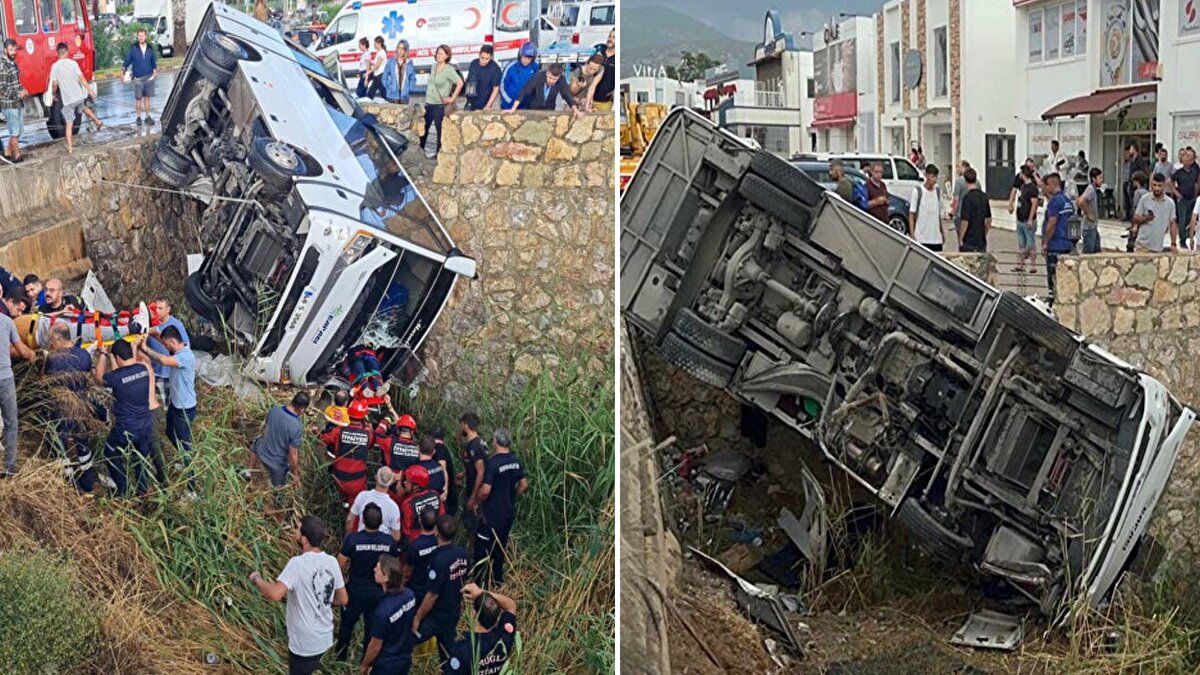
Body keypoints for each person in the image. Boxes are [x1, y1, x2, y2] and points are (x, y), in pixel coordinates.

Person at [250, 515, 348, 675]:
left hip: (304, 645)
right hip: (325, 639)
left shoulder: (297, 564)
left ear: (304, 539)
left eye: (297, 528)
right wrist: (322, 602)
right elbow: (343, 599)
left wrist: (257, 579)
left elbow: (275, 594)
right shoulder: (331, 561)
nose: (294, 531)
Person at [138, 325, 198, 496]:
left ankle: (191, 488)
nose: (165, 347)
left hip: (184, 409)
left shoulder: (185, 357)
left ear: (173, 342)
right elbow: (160, 336)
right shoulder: (178, 349)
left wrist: (145, 348)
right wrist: (146, 333)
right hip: (176, 405)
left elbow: (163, 361)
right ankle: (183, 458)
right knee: (170, 433)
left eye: (166, 344)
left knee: (186, 446)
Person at [336, 503, 398, 663]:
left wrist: (340, 586)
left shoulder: (353, 539)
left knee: (346, 628)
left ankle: (340, 659)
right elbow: (394, 567)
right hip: (377, 594)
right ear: (382, 521)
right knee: (371, 630)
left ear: (362, 520)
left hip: (354, 592)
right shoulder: (389, 542)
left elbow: (340, 564)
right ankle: (366, 661)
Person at [95, 338, 155, 497]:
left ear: (117, 358)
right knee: (140, 458)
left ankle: (124, 489)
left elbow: (99, 377)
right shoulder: (143, 369)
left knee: (110, 453)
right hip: (145, 425)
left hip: (126, 428)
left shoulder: (115, 378)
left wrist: (102, 354)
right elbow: (125, 372)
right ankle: (143, 493)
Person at [412, 516, 470, 668]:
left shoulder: (439, 560)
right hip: (453, 611)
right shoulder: (463, 554)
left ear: (436, 531)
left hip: (436, 615)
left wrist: (417, 617)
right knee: (447, 650)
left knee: (408, 639)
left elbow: (432, 595)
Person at [44, 322, 95, 492]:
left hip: (62, 409)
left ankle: (70, 481)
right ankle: (88, 482)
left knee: (59, 441)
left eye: (51, 339)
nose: (50, 343)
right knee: (82, 442)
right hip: (82, 406)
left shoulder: (54, 359)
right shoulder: (84, 355)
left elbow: (48, 382)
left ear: (58, 339)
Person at [475, 429, 527, 587]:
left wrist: (477, 502)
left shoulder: (492, 463)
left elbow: (485, 490)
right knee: (500, 547)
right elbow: (524, 485)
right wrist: (512, 497)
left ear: (495, 442)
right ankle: (498, 581)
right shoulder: (517, 461)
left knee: (483, 549)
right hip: (508, 513)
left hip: (492, 514)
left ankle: (480, 584)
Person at [360, 554, 418, 675]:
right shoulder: (409, 595)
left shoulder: (382, 612)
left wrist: (364, 665)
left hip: (386, 664)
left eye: (378, 568)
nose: (374, 570)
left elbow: (375, 646)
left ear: (386, 577)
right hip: (405, 657)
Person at [446, 583, 518, 674]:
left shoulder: (462, 650)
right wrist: (481, 592)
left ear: (474, 614)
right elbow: (510, 606)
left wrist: (480, 593)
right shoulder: (503, 639)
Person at [319, 398, 374, 508]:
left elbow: (322, 439)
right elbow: (370, 445)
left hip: (338, 479)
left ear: (348, 414)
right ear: (363, 417)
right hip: (357, 481)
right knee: (356, 509)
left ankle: (341, 508)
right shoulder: (368, 434)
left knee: (340, 502)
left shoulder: (338, 431)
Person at [49, 43, 102, 154]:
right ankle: (97, 121)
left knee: (69, 123)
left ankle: (70, 148)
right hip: (78, 96)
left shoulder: (55, 67)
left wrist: (53, 94)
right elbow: (82, 80)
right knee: (83, 107)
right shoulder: (73, 64)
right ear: (66, 52)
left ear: (58, 53)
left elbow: (54, 84)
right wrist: (91, 92)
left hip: (68, 100)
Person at [250, 392, 308, 489]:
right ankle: (278, 497)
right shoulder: (297, 427)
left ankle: (249, 471)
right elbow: (293, 454)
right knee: (280, 487)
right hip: (277, 464)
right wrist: (295, 474)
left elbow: (267, 427)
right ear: (302, 409)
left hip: (261, 450)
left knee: (256, 442)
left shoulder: (275, 409)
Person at [1041, 173, 1082, 300]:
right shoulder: (1067, 201)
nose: (1044, 189)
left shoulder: (1054, 202)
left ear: (1052, 184)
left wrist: (1045, 243)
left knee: (1053, 278)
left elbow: (1052, 224)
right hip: (1067, 245)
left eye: (1045, 186)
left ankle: (1052, 300)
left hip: (1055, 245)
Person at [421, 45, 463, 158]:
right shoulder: (433, 67)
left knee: (440, 132)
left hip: (440, 106)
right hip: (429, 104)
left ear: (447, 56)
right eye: (437, 53)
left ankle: (438, 156)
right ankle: (420, 152)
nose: (438, 55)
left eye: (441, 54)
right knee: (423, 130)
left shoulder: (449, 69)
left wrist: (452, 98)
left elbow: (460, 83)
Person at [145, 298, 188, 405]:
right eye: (155, 308)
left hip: (168, 373)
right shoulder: (149, 323)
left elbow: (186, 346)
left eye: (161, 308)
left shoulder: (176, 325)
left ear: (168, 309)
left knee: (168, 403)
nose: (157, 311)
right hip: (151, 371)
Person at [348, 466, 404, 541]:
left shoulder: (362, 496)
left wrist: (347, 539)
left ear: (376, 478)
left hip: (360, 542)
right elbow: (396, 537)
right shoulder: (393, 507)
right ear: (391, 483)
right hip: (382, 546)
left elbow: (350, 520)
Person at [1131, 172, 1179, 254]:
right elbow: (1135, 218)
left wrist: (1173, 243)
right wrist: (1145, 218)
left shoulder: (1170, 203)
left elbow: (1173, 224)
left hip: (1157, 248)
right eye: (1154, 185)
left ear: (1164, 186)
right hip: (1142, 246)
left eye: (1159, 186)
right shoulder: (1145, 199)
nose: (1157, 188)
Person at [505, 64, 582, 114]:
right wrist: (513, 109)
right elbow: (524, 91)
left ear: (559, 76)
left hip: (549, 109)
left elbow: (566, 95)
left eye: (554, 79)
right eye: (550, 77)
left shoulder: (562, 79)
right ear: (547, 73)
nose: (551, 81)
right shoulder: (538, 76)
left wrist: (575, 110)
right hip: (533, 109)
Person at [397, 464, 442, 543]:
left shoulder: (408, 504)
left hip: (415, 542)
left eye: (407, 481)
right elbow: (442, 516)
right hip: (436, 539)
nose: (404, 482)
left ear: (415, 486)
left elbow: (406, 532)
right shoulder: (435, 494)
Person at [403, 507, 439, 605]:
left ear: (420, 521)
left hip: (417, 589)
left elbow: (407, 572)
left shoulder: (414, 546)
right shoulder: (440, 541)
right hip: (434, 587)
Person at [460, 412, 488, 538]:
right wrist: (465, 473)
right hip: (472, 485)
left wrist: (473, 496)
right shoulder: (475, 444)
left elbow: (481, 471)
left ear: (466, 425)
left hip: (475, 489)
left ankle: (472, 551)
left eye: (462, 423)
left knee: (472, 523)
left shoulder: (475, 446)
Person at [122, 29, 157, 126]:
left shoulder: (150, 48)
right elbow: (127, 60)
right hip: (137, 78)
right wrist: (122, 71)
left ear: (145, 37)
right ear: (137, 37)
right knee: (138, 99)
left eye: (142, 36)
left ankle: (148, 116)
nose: (141, 37)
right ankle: (138, 118)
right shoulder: (134, 48)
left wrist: (154, 74)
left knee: (147, 98)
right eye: (139, 36)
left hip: (148, 76)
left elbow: (153, 62)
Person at [1, 39, 28, 163]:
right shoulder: (2, 65)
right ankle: (16, 156)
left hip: (17, 102)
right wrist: (18, 93)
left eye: (15, 50)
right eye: (11, 50)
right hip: (8, 104)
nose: (13, 53)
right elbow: (2, 87)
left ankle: (7, 152)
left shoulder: (14, 64)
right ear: (5, 50)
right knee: (14, 131)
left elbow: (17, 83)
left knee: (18, 131)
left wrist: (23, 89)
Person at [907, 164, 944, 252]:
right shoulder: (918, 191)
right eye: (933, 177)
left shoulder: (937, 192)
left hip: (936, 239)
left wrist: (942, 232)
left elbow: (938, 214)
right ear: (927, 176)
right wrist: (912, 234)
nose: (935, 180)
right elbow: (912, 214)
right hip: (921, 238)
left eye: (936, 177)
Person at [1013, 166, 1041, 274]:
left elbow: (1034, 204)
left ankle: (1033, 265)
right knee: (1021, 243)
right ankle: (1020, 264)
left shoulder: (1032, 188)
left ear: (1024, 174)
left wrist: (1030, 219)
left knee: (1031, 243)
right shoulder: (1023, 186)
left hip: (1027, 220)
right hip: (1020, 219)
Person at [957, 168, 991, 253]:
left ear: (965, 180)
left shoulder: (967, 198)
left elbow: (965, 221)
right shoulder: (984, 196)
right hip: (981, 240)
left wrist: (960, 238)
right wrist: (984, 233)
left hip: (969, 240)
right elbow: (989, 219)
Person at [1172, 148, 1200, 250]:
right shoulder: (1178, 172)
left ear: (1192, 161)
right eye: (1184, 156)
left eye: (1188, 157)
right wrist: (1176, 193)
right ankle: (1182, 240)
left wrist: (1196, 194)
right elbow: (1169, 182)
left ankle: (1189, 238)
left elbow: (1197, 182)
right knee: (1182, 220)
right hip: (1182, 199)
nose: (1186, 158)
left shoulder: (1195, 171)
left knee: (1190, 219)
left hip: (1192, 199)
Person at [500, 43, 539, 110]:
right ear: (520, 55)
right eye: (524, 57)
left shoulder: (535, 67)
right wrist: (508, 99)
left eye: (529, 58)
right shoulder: (511, 66)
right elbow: (502, 85)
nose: (526, 60)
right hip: (509, 104)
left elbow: (537, 85)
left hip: (526, 105)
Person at [430, 427, 458, 516]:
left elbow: (442, 467)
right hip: (449, 496)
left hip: (445, 498)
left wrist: (445, 489)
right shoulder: (444, 449)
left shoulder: (438, 449)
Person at [464, 44, 502, 111]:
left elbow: (495, 89)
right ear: (479, 55)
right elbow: (469, 82)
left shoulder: (495, 69)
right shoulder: (473, 64)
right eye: (482, 58)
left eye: (487, 59)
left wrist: (488, 105)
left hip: (485, 103)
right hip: (471, 103)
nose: (483, 61)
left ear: (491, 57)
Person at [1077, 167, 1104, 254]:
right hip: (1089, 227)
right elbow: (1081, 201)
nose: (1101, 180)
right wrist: (1088, 214)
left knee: (1096, 251)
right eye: (1099, 178)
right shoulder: (1091, 189)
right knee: (1088, 254)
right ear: (1093, 179)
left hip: (1093, 227)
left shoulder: (1092, 189)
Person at [381, 39, 415, 104]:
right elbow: (384, 78)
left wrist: (409, 89)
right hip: (391, 97)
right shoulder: (390, 62)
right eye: (399, 48)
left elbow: (413, 79)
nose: (400, 51)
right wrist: (389, 87)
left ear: (406, 50)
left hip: (404, 97)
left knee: (404, 114)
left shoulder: (409, 62)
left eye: (403, 48)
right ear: (396, 49)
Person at [416, 437, 448, 504]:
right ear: (434, 452)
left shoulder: (415, 469)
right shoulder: (439, 467)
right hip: (436, 504)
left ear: (418, 448)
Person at [1124, 143, 1150, 222]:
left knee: (1136, 203)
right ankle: (1130, 217)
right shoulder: (1132, 160)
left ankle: (1136, 219)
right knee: (1130, 202)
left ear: (1135, 149)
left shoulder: (1140, 160)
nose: (1130, 151)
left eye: (1131, 148)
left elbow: (1144, 172)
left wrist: (1139, 180)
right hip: (1131, 183)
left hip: (1138, 183)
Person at [592, 29, 615, 111]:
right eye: (610, 36)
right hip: (589, 99)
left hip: (604, 102)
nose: (610, 39)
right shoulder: (599, 49)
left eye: (614, 37)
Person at [950, 160, 970, 236]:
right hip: (972, 214)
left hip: (960, 214)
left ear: (964, 167)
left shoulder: (959, 181)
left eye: (959, 167)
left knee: (961, 237)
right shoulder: (976, 181)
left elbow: (956, 199)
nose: (957, 169)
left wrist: (953, 212)